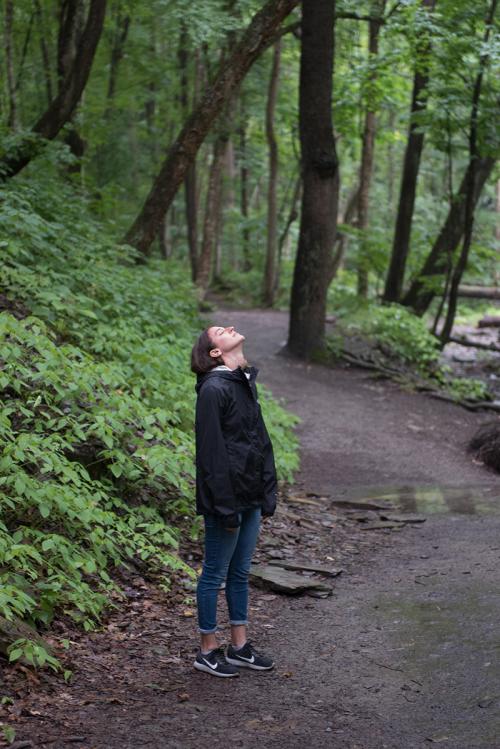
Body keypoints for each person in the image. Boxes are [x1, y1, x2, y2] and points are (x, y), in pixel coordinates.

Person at [190, 324, 278, 677]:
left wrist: (267, 488)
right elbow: (210, 455)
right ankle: (207, 649)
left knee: (241, 572)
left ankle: (239, 646)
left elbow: (259, 439)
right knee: (214, 574)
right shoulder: (213, 388)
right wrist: (224, 506)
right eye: (219, 331)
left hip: (250, 493)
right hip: (225, 498)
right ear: (214, 352)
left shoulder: (242, 380)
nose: (228, 327)